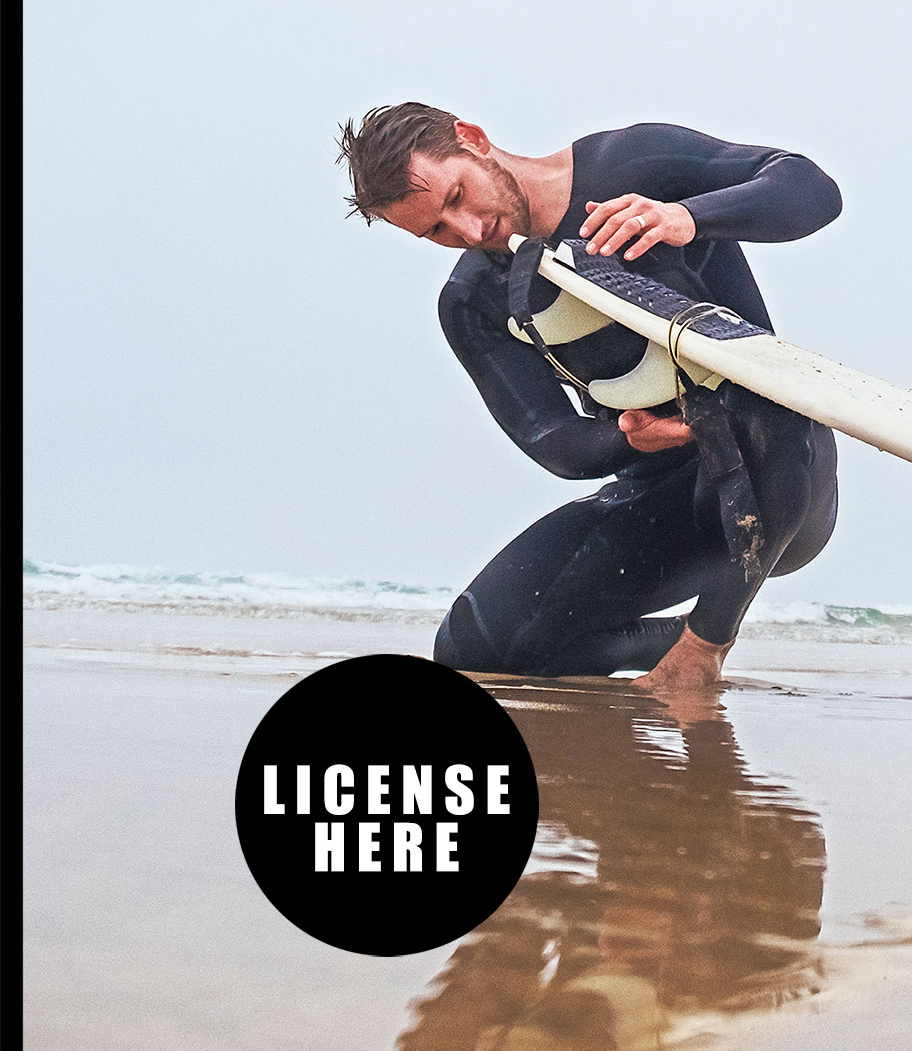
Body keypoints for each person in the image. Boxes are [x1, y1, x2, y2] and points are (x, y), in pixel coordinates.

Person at [337, 104, 842, 692]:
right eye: (436, 232)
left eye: (457, 198)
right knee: (471, 648)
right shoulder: (475, 300)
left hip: (784, 472)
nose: (471, 232)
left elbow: (812, 191)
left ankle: (706, 644)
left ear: (471, 139)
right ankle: (671, 643)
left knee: (760, 402)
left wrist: (687, 217)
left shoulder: (631, 168)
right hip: (676, 497)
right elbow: (556, 442)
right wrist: (628, 436)